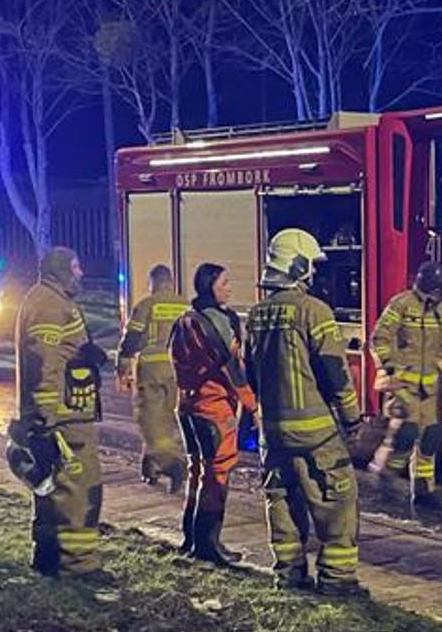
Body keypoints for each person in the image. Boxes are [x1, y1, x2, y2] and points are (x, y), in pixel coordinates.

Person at [246, 228, 366, 597]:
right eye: (309, 266)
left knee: (282, 497)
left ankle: (288, 573)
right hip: (316, 431)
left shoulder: (255, 315)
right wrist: (351, 416)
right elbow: (334, 370)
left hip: (274, 431)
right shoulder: (314, 311)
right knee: (337, 498)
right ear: (297, 267)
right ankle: (336, 578)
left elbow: (250, 372)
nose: (313, 273)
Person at [13, 246, 107, 577]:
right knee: (77, 490)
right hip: (64, 419)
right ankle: (78, 564)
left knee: (53, 490)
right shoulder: (49, 305)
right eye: (76, 266)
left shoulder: (50, 299)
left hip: (62, 416)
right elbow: (45, 363)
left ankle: (50, 558)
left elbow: (58, 355)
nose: (81, 273)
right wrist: (46, 415)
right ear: (60, 270)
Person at [169, 263, 258, 565]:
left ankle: (191, 538)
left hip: (187, 407)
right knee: (217, 474)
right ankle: (209, 545)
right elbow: (230, 368)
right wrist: (252, 406)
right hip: (213, 409)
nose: (230, 288)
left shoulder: (185, 320)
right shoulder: (217, 321)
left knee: (198, 470)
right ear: (210, 286)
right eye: (224, 283)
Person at [370, 261, 442, 506]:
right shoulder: (402, 305)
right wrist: (389, 367)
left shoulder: (440, 311)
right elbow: (379, 338)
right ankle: (384, 471)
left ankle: (422, 488)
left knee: (432, 436)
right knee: (405, 434)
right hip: (403, 384)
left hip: (429, 387)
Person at [117, 264, 187, 491]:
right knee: (168, 421)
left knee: (151, 421)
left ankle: (173, 465)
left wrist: (123, 365)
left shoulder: (147, 305)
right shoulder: (185, 306)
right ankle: (149, 464)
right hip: (179, 374)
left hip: (152, 373)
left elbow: (132, 339)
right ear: (171, 282)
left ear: (153, 283)